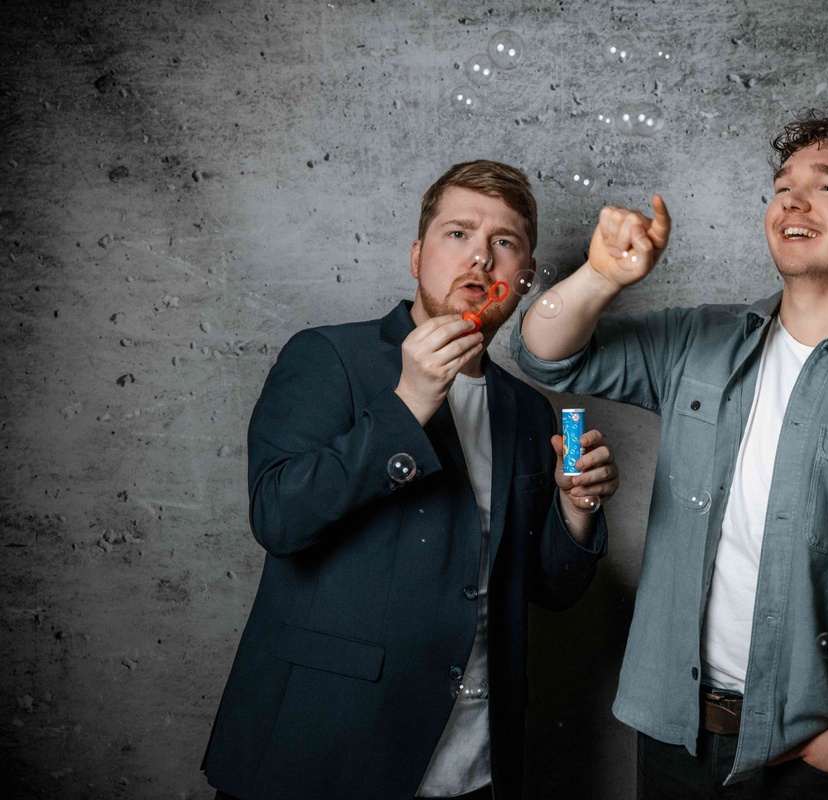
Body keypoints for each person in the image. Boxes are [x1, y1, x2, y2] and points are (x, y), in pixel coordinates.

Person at [512, 106, 828, 798]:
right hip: (674, 735)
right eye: (782, 186)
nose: (792, 201)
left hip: (818, 758)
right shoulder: (698, 342)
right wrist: (601, 276)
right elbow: (545, 355)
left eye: (827, 186)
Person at [201, 160, 616, 800]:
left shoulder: (528, 411)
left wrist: (577, 511)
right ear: (418, 255)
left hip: (474, 763)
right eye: (458, 234)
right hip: (324, 756)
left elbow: (548, 590)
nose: (480, 257)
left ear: (524, 276)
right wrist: (409, 403)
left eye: (504, 242)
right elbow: (279, 518)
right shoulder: (327, 357)